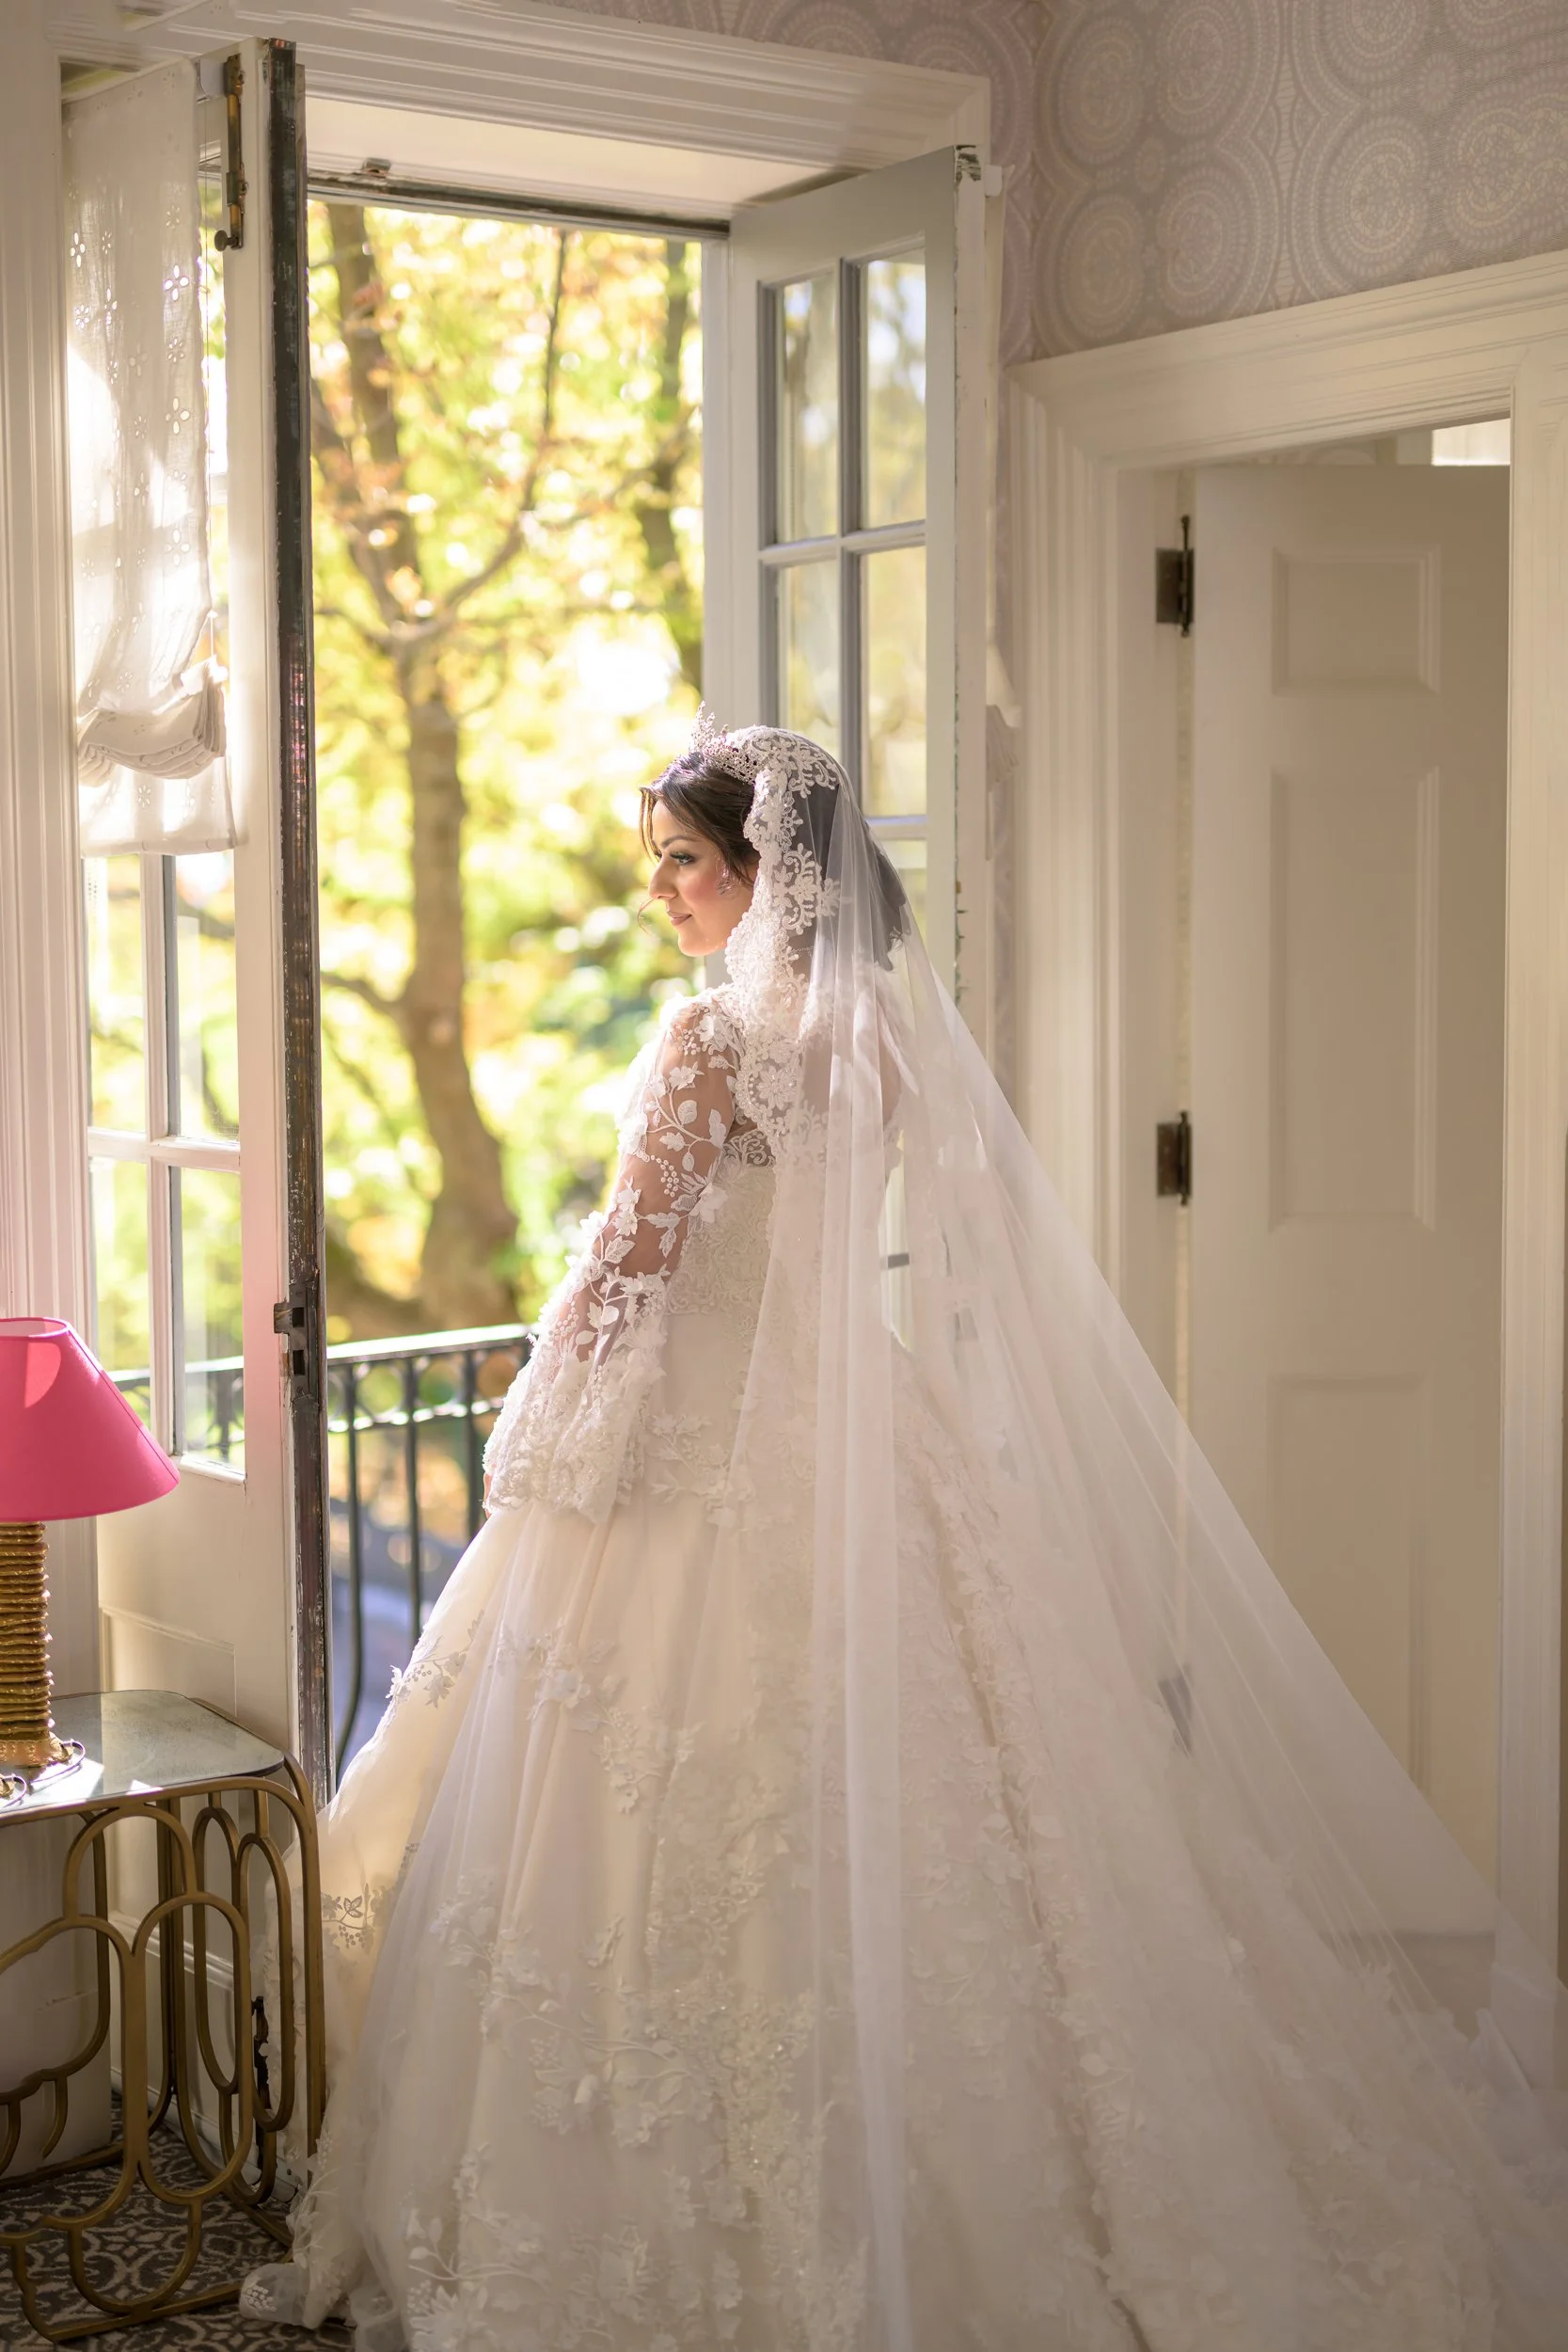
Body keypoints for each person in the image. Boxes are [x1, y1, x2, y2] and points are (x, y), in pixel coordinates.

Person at [245, 715, 1568, 2351]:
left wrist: (535, 1432)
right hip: (854, 1434)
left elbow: (626, 1272)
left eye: (684, 861)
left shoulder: (707, 1046)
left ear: (761, 870)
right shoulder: (875, 1033)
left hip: (694, 1458)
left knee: (644, 1808)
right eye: (656, 861)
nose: (661, 893)